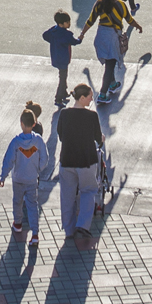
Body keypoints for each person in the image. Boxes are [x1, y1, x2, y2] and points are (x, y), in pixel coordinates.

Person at [54, 85, 105, 248]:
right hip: (86, 161)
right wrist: (101, 139)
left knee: (67, 194)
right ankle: (82, 225)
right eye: (90, 96)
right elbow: (98, 138)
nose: (92, 99)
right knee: (88, 190)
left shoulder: (64, 114)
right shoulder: (92, 116)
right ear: (82, 98)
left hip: (67, 160)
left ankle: (68, 229)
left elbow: (61, 135)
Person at [0, 101, 54, 246]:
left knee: (17, 201)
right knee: (32, 205)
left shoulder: (16, 142)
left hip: (18, 179)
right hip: (32, 179)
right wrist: (38, 169)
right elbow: (45, 157)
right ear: (34, 124)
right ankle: (35, 233)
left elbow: (8, 160)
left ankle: (18, 223)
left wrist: (3, 176)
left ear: (21, 123)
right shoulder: (38, 140)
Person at [78, 0, 141, 102]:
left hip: (100, 37)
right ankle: (102, 94)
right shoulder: (121, 5)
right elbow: (129, 20)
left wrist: (82, 34)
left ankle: (112, 84)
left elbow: (90, 20)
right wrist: (138, 26)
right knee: (110, 67)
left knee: (108, 63)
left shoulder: (99, 3)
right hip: (112, 38)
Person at [43, 11, 83, 104]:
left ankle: (64, 93)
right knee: (63, 78)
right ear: (62, 24)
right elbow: (75, 42)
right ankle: (58, 98)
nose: (69, 23)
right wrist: (80, 38)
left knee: (62, 76)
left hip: (55, 57)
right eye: (67, 22)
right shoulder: (66, 34)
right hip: (64, 59)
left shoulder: (53, 31)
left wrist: (53, 42)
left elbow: (45, 35)